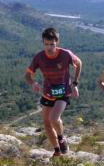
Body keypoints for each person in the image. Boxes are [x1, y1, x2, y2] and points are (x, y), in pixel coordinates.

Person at [24, 27, 82, 156]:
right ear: (43, 43)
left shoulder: (65, 54)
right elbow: (28, 75)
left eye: (52, 44)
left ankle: (61, 138)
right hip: (48, 93)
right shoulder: (39, 57)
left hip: (63, 92)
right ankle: (56, 151)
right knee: (46, 123)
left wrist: (75, 83)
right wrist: (33, 83)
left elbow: (79, 63)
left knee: (54, 118)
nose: (49, 47)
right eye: (46, 44)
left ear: (57, 42)